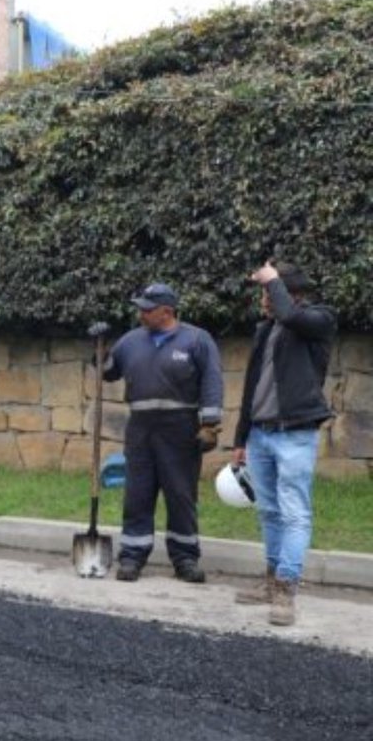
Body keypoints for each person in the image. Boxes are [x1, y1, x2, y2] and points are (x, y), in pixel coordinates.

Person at [231, 261, 336, 626]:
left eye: (268, 292)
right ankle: (271, 579)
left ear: (287, 292)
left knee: (295, 513)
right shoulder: (267, 330)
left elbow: (292, 316)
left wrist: (272, 279)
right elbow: (251, 388)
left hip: (295, 434)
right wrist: (241, 437)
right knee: (269, 511)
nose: (263, 300)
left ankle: (286, 588)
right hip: (260, 434)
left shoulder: (319, 319)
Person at [98, 283, 224, 583]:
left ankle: (185, 559)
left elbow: (212, 381)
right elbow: (108, 371)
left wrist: (209, 424)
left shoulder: (197, 340)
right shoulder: (130, 342)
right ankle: (131, 557)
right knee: (137, 494)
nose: (141, 313)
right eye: (140, 308)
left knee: (181, 495)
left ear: (167, 311)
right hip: (140, 428)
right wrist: (98, 348)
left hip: (180, 429)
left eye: (147, 309)